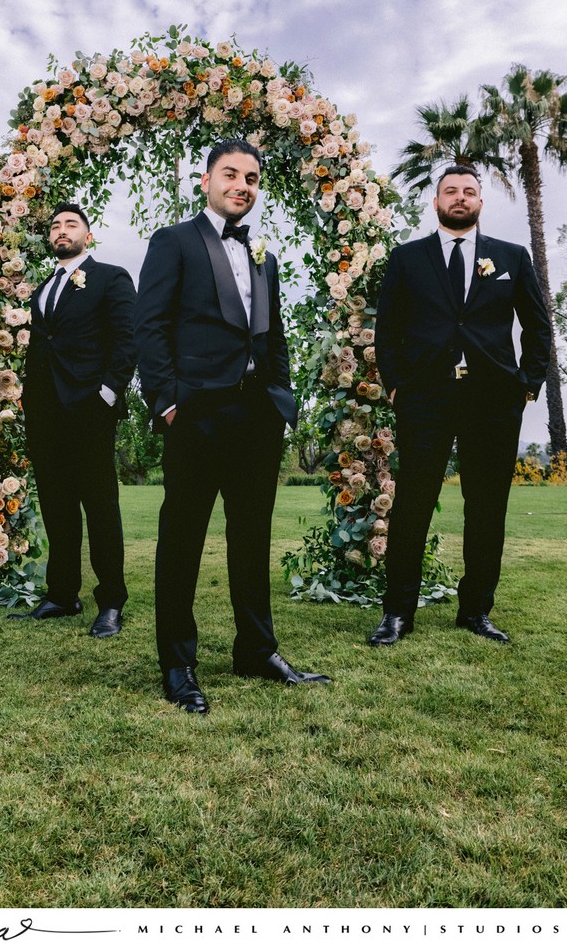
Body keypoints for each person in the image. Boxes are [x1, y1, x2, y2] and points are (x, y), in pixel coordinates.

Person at [135, 139, 331, 713]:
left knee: (252, 538)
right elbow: (149, 326)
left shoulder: (261, 253)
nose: (241, 185)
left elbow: (273, 335)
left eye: (251, 178)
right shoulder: (173, 241)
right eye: (230, 174)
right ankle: (178, 664)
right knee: (182, 540)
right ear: (206, 180)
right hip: (195, 414)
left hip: (257, 416)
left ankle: (256, 650)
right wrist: (167, 402)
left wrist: (282, 399)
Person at [369, 164, 552, 647]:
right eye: (450, 190)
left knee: (487, 508)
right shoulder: (408, 258)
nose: (460, 198)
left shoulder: (510, 256)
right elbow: (386, 330)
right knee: (412, 505)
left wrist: (527, 385)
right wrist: (395, 385)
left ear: (480, 203)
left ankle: (476, 611)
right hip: (425, 399)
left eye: (469, 191)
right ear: (436, 202)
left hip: (493, 401)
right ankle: (397, 613)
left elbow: (537, 326)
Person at [9, 202, 136, 637]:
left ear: (88, 234)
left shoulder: (111, 277)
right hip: (44, 412)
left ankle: (112, 601)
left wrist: (106, 392)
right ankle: (62, 594)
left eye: (71, 224)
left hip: (89, 409)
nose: (62, 230)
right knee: (57, 506)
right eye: (56, 226)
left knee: (100, 507)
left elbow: (127, 338)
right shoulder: (43, 286)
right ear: (50, 238)